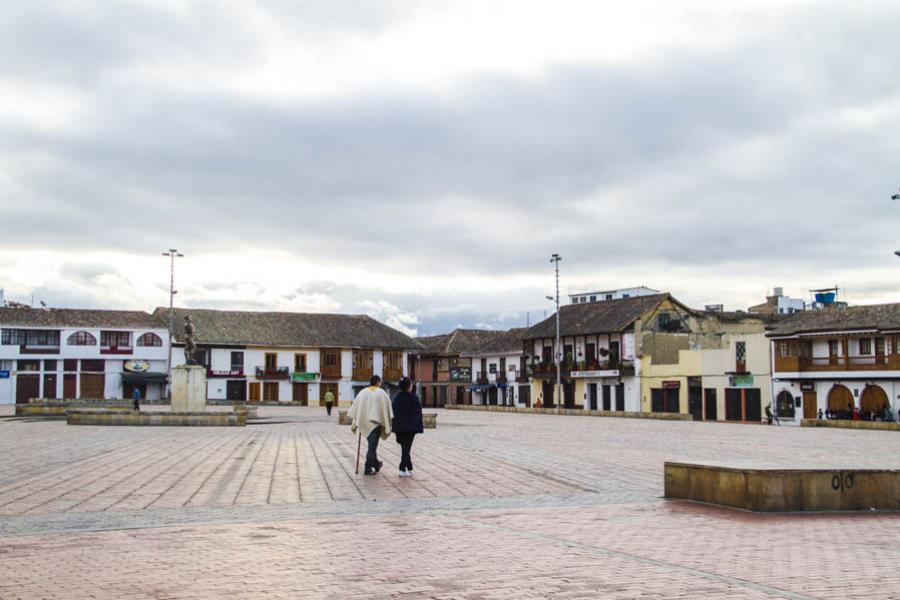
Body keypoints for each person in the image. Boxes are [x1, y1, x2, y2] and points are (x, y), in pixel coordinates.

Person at [348, 375, 393, 475]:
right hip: (375, 424)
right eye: (380, 382)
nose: (380, 384)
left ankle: (376, 465)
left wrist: (356, 422)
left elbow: (357, 407)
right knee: (372, 448)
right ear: (377, 383)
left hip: (364, 423)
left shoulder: (362, 393)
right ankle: (368, 468)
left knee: (372, 446)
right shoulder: (381, 393)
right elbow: (387, 406)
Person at [392, 377, 423, 477]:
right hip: (410, 428)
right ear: (409, 386)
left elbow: (393, 412)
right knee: (406, 448)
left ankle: (408, 466)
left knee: (405, 447)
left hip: (399, 428)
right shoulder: (414, 398)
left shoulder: (396, 398)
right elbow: (418, 413)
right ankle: (402, 467)